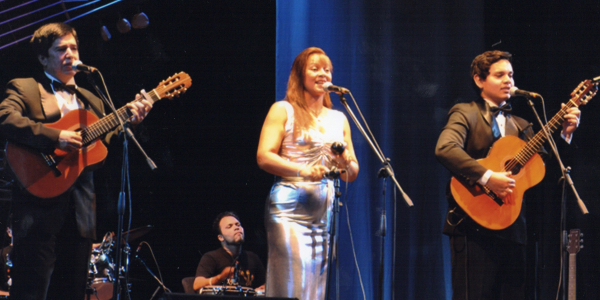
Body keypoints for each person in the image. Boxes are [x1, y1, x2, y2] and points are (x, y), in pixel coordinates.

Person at [0, 22, 152, 299]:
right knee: (31, 289)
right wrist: (54, 137)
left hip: (80, 208)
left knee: (71, 290)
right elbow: (6, 118)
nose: (70, 53)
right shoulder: (26, 88)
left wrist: (133, 121)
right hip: (37, 204)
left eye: (74, 47)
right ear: (43, 58)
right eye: (61, 49)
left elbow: (105, 146)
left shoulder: (93, 98)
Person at [435, 50, 581, 299]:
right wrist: (487, 177)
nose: (508, 81)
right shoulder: (465, 112)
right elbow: (445, 148)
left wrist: (566, 134)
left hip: (514, 230)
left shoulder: (523, 125)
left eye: (511, 75)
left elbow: (548, 171)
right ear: (479, 80)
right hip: (474, 228)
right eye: (499, 74)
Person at [256, 47, 359, 300]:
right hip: (290, 208)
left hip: (324, 213)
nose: (323, 74)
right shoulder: (283, 109)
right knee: (292, 286)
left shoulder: (339, 118)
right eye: (315, 69)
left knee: (316, 289)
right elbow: (264, 156)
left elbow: (352, 172)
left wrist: (345, 161)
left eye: (327, 69)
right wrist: (303, 169)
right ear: (299, 75)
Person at [193, 212, 265, 293]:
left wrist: (263, 288)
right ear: (221, 237)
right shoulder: (211, 257)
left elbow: (265, 283)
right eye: (229, 226)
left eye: (238, 224)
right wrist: (220, 277)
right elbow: (197, 285)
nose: (236, 228)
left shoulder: (252, 257)